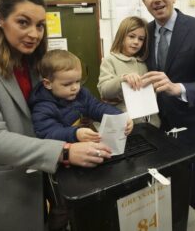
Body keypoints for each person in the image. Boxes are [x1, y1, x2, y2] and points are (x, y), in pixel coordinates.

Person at [0, 0, 112, 231]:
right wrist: (65, 151)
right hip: (0, 187)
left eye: (40, 25)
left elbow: (49, 113)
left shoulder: (35, 65)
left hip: (36, 180)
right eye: (23, 22)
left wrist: (78, 125)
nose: (33, 34)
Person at [138, 0, 195, 213]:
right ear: (144, 2)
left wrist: (177, 88)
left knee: (189, 186)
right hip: (156, 124)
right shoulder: (145, 33)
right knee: (161, 187)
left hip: (190, 125)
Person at [28, 49, 133, 231]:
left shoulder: (80, 94)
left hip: (81, 161)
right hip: (57, 169)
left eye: (78, 81)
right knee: (62, 209)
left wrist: (120, 116)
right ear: (47, 83)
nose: (75, 87)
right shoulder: (42, 105)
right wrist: (75, 134)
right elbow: (46, 133)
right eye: (67, 84)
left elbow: (97, 107)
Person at [97, 16, 160, 127]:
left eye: (141, 39)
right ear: (121, 36)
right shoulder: (110, 60)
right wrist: (122, 79)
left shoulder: (144, 62)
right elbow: (104, 90)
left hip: (150, 123)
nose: (136, 42)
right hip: (125, 126)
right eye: (131, 36)